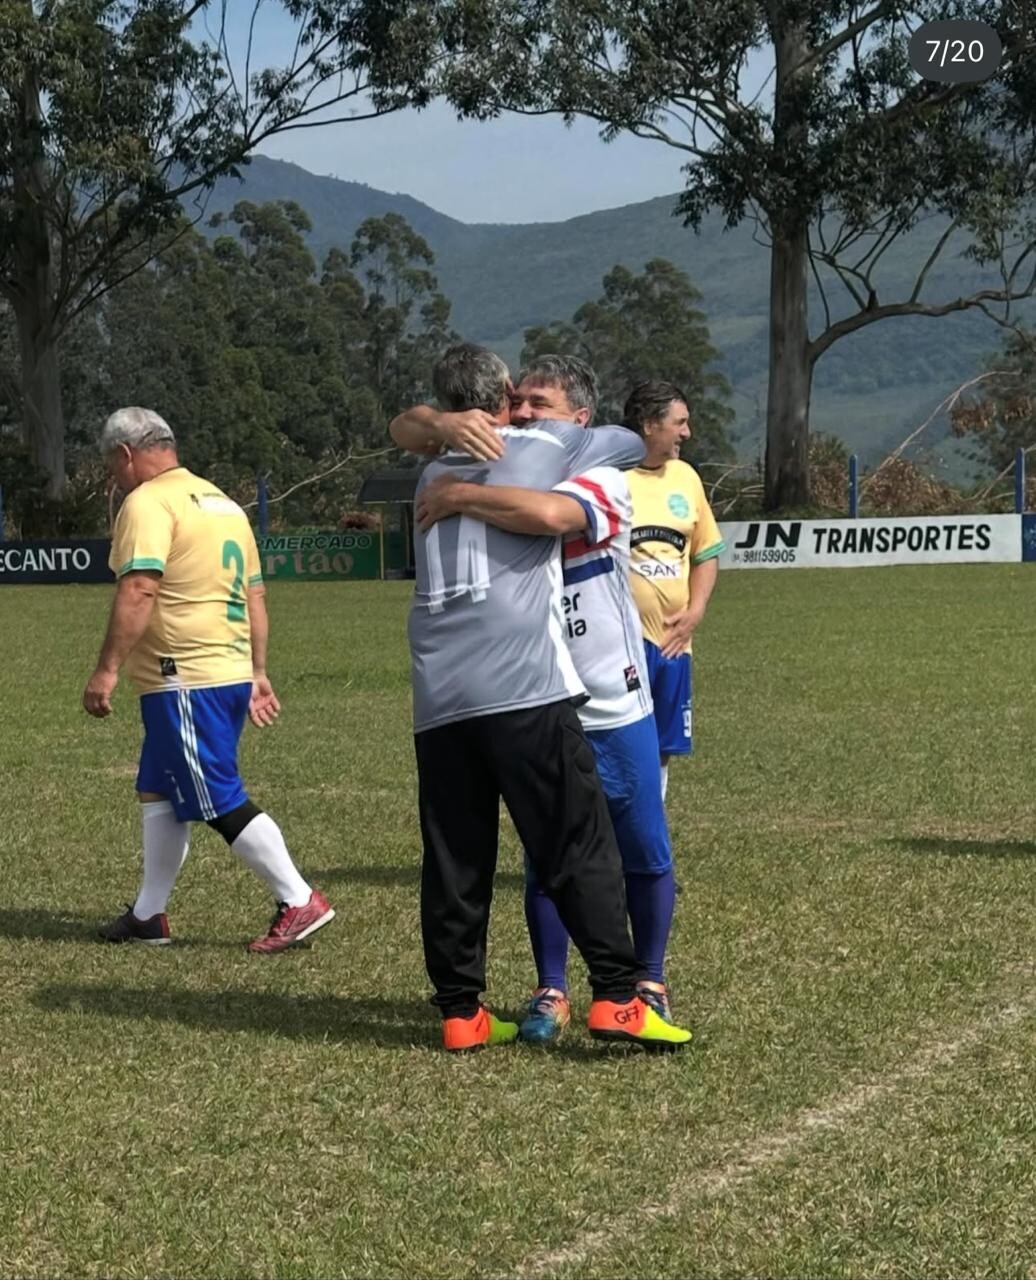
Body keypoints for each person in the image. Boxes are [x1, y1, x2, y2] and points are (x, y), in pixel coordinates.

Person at [390, 344, 691, 1052]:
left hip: (439, 695)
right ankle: (618, 998)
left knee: (455, 857)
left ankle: (460, 1013)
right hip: (523, 686)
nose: (525, 411)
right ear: (499, 398)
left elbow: (403, 426)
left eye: (538, 402)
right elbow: (626, 449)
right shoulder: (547, 447)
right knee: (576, 843)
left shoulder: (432, 468)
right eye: (517, 399)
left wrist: (439, 431)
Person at [82, 407, 334, 954]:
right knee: (158, 786)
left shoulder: (148, 502)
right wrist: (257, 671)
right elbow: (255, 595)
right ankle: (148, 914)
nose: (113, 476)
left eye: (111, 464)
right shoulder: (222, 503)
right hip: (224, 669)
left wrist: (106, 669)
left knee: (217, 795)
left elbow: (140, 588)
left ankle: (298, 899)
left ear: (126, 453)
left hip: (184, 676)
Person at [623, 382, 725, 801]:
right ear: (649, 425)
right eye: (679, 423)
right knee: (615, 744)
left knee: (663, 746)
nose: (687, 432)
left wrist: (695, 612)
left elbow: (706, 553)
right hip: (620, 643)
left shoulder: (686, 477)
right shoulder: (609, 477)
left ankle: (652, 826)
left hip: (673, 643)